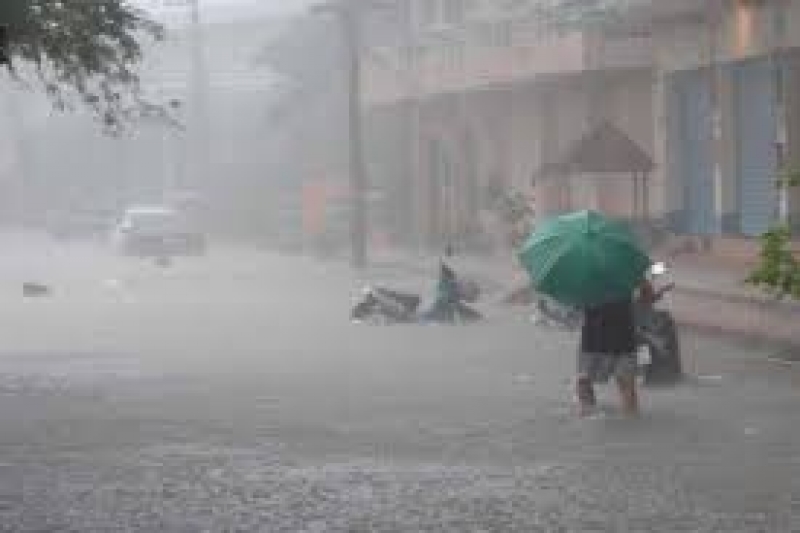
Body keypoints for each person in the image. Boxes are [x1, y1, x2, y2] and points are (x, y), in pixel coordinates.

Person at [575, 295, 639, 416]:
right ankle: (631, 421)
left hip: (594, 336)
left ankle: (587, 415)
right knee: (626, 383)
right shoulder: (626, 282)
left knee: (584, 380)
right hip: (622, 334)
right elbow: (646, 298)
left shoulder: (585, 285)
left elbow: (575, 304)